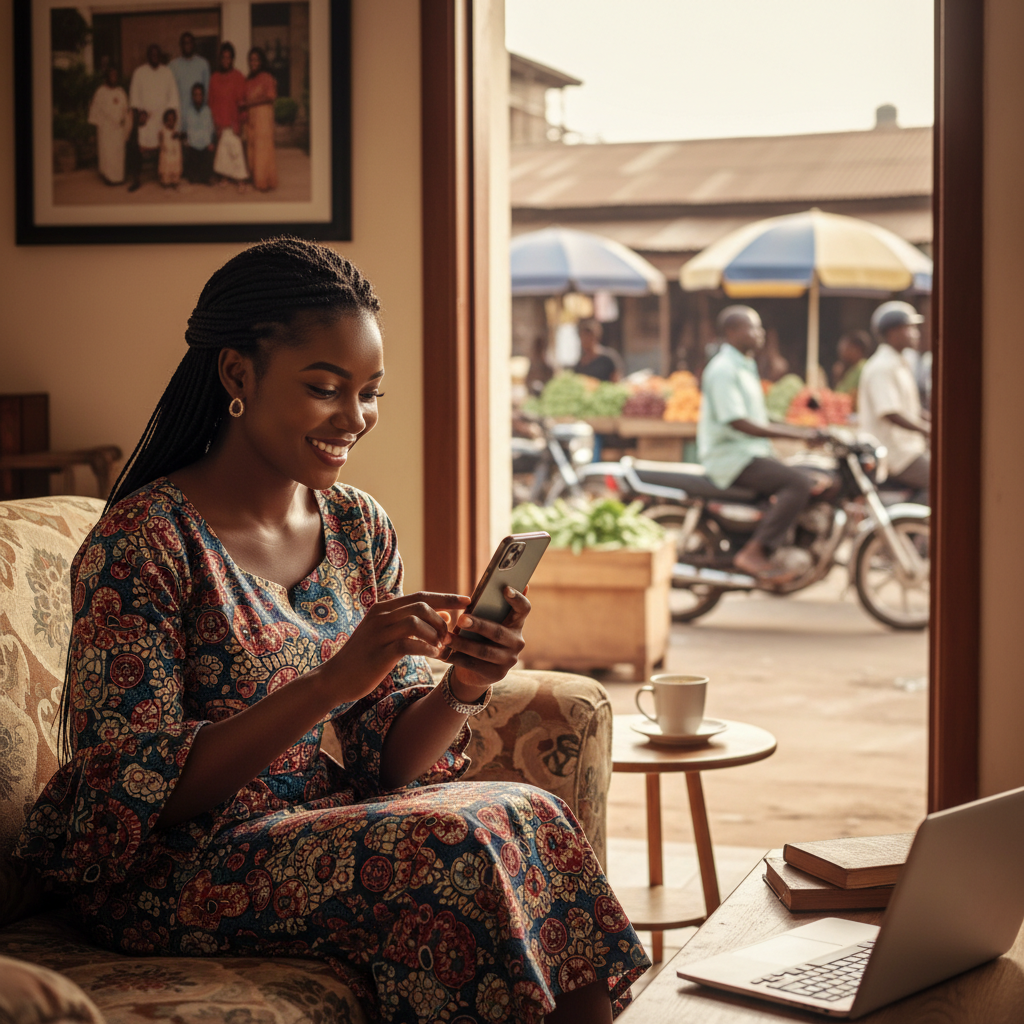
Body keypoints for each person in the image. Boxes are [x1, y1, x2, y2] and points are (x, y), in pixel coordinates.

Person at [12, 238, 647, 1024]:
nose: (355, 418)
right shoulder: (144, 541)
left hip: (305, 826)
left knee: (529, 811)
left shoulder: (355, 525)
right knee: (452, 849)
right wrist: (330, 684)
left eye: (370, 392)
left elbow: (392, 759)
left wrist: (464, 684)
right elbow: (135, 794)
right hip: (172, 869)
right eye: (325, 388)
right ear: (238, 375)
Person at [698, 306, 824, 580]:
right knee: (798, 483)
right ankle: (754, 552)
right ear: (732, 332)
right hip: (731, 456)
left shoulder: (745, 365)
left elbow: (758, 415)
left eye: (760, 327)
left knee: (810, 475)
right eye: (752, 327)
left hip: (750, 452)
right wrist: (797, 436)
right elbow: (738, 421)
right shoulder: (723, 369)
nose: (760, 333)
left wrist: (800, 428)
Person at [858, 301, 930, 504]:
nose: (915, 333)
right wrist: (926, 430)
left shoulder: (900, 363)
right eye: (910, 328)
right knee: (938, 479)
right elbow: (890, 412)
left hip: (908, 448)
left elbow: (908, 408)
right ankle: (912, 531)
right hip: (895, 452)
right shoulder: (882, 367)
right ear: (894, 332)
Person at [128, 44, 179, 192]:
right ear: (148, 56)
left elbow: (173, 97)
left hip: (162, 118)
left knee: (165, 144)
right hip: (146, 118)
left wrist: (170, 117)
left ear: (160, 56)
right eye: (152, 54)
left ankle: (165, 176)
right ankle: (136, 179)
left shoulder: (167, 72)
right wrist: (140, 115)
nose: (154, 57)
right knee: (137, 145)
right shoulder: (139, 72)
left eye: (157, 54)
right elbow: (134, 97)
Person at [208, 42, 248, 185]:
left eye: (229, 57)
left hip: (233, 122)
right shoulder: (214, 78)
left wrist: (240, 122)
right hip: (220, 122)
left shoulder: (238, 77)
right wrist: (215, 123)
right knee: (223, 153)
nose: (226, 60)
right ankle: (225, 176)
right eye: (223, 57)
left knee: (236, 151)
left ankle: (240, 180)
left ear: (233, 59)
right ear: (220, 59)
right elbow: (211, 102)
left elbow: (243, 102)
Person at [243, 47, 279, 192]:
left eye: (256, 59)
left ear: (261, 61)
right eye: (251, 60)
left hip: (263, 116)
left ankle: (264, 181)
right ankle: (256, 177)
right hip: (251, 117)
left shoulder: (267, 77)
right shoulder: (249, 79)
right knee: (252, 147)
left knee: (262, 148)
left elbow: (270, 96)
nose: (253, 62)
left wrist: (249, 103)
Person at [87, 66, 130, 185]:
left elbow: (126, 111)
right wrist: (97, 129)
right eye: (111, 75)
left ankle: (119, 177)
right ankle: (109, 177)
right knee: (107, 154)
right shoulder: (100, 92)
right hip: (106, 130)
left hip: (118, 131)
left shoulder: (121, 92)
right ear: (106, 76)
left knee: (118, 154)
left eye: (116, 75)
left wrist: (124, 124)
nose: (114, 77)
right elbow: (95, 112)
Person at [181, 82, 216, 184]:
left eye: (200, 94)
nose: (198, 97)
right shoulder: (188, 112)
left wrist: (211, 143)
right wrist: (187, 142)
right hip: (193, 146)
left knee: (205, 178)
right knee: (193, 179)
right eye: (195, 94)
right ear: (192, 96)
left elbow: (211, 129)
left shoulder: (207, 111)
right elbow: (186, 130)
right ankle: (194, 174)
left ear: (203, 96)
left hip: (205, 146)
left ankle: (205, 175)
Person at [169, 31, 210, 112]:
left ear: (194, 44)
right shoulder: (172, 66)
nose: (187, 46)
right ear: (180, 45)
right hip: (179, 113)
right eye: (185, 43)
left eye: (189, 43)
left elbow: (207, 92)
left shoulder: (203, 64)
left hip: (198, 114)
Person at [831, 330, 872, 409]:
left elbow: (853, 399)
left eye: (846, 347)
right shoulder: (849, 369)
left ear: (857, 349)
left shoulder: (863, 369)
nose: (841, 351)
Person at [157, 108, 183, 187]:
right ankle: (166, 180)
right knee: (166, 174)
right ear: (165, 121)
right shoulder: (163, 132)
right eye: (169, 120)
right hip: (167, 155)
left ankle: (175, 180)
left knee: (176, 169)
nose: (171, 122)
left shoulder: (176, 132)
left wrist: (178, 136)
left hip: (175, 156)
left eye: (173, 120)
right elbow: (162, 145)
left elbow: (179, 144)